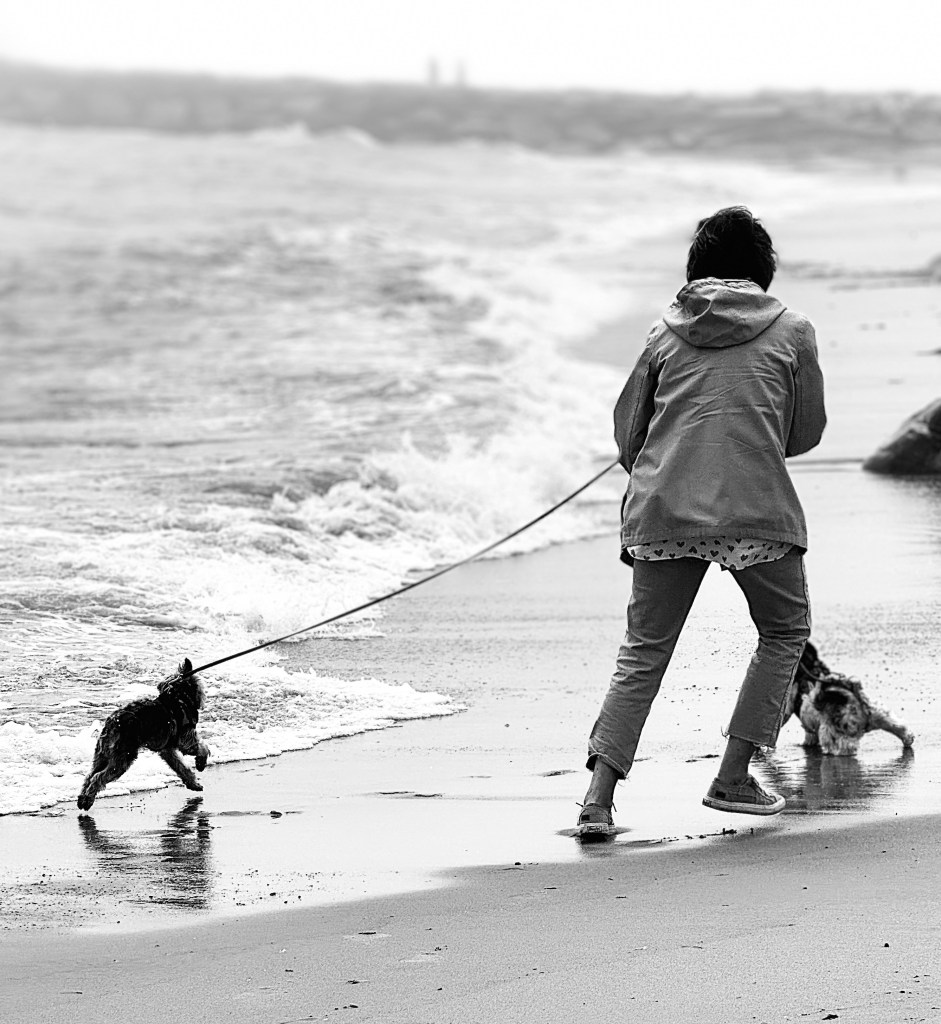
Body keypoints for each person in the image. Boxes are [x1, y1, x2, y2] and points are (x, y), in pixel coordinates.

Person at [577, 206, 826, 837]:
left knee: (644, 652)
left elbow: (628, 438)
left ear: (697, 269)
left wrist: (672, 456)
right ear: (763, 269)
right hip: (756, 509)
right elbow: (805, 433)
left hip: (664, 509)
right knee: (784, 630)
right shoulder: (794, 330)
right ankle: (732, 776)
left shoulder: (663, 333)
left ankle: (597, 802)